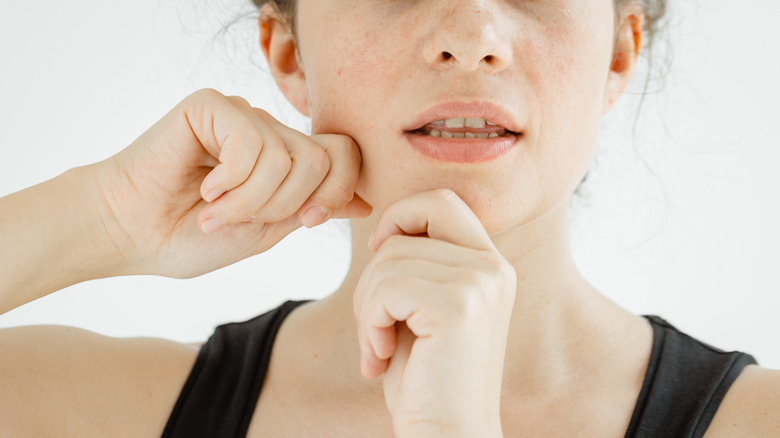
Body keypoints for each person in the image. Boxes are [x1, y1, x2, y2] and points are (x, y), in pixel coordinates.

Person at [0, 0, 778, 437]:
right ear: (289, 54)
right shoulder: (105, 412)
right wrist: (99, 218)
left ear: (619, 51)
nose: (471, 39)